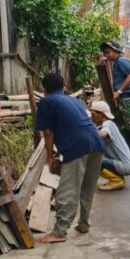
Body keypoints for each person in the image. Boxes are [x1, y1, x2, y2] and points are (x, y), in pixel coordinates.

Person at [35, 73, 104, 243]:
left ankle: (59, 232)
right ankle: (84, 223)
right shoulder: (74, 100)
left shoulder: (46, 102)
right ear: (63, 87)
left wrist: (50, 157)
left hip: (77, 145)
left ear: (43, 89)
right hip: (96, 142)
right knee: (87, 186)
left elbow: (48, 132)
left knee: (68, 190)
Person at [100, 41, 130, 166]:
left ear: (116, 51)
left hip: (129, 99)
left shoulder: (121, 62)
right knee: (124, 129)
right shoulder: (115, 64)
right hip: (123, 100)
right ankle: (129, 155)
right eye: (105, 53)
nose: (107, 55)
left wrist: (119, 91)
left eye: (108, 52)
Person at [89, 101, 130, 191]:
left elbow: (103, 134)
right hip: (125, 164)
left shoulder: (108, 124)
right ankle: (116, 178)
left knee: (94, 159)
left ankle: (116, 180)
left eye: (93, 115)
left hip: (125, 166)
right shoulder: (109, 124)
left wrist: (88, 129)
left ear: (102, 115)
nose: (92, 117)